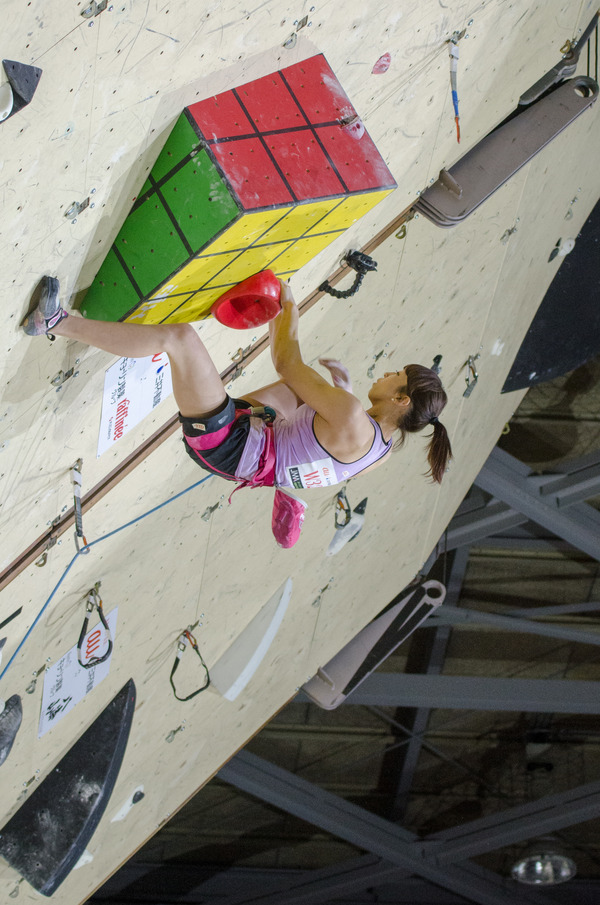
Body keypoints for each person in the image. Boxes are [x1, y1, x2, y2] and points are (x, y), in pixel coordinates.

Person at [23, 275, 452, 543]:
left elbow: (287, 361)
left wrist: (289, 311)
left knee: (181, 339)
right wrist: (340, 392)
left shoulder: (353, 417)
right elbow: (329, 440)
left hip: (231, 445)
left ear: (401, 398)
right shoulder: (380, 448)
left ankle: (55, 321)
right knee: (303, 391)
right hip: (257, 455)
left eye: (396, 374)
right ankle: (228, 359)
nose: (388, 372)